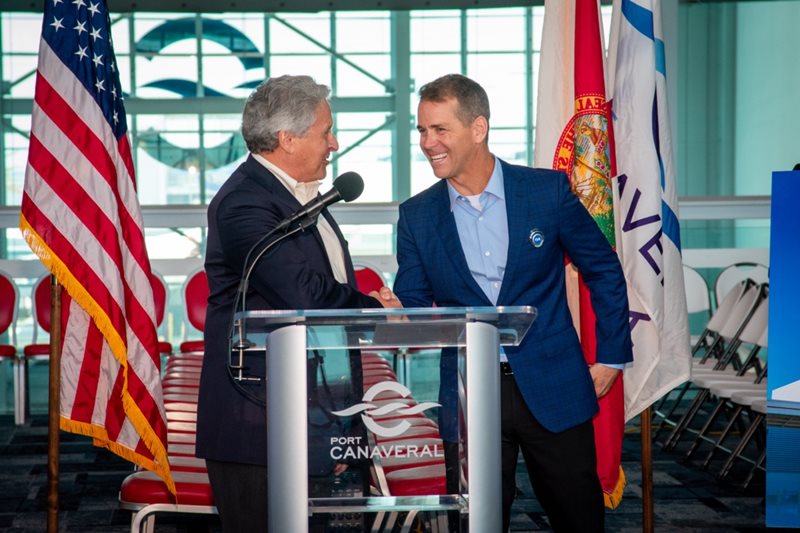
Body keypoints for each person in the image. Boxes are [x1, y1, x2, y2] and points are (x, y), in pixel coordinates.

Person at [392, 74, 633, 532]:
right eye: (422, 131)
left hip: (555, 384)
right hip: (468, 393)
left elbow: (603, 269)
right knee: (475, 524)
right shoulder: (416, 215)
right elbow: (416, 301)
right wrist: (398, 307)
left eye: (440, 129)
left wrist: (612, 357)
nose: (427, 142)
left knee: (579, 518)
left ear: (478, 128)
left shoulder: (547, 192)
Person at [196, 74, 400, 532]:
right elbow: (301, 292)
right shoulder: (244, 201)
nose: (335, 142)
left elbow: (322, 286)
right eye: (325, 131)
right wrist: (373, 310)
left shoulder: (303, 196)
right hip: (259, 421)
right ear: (287, 139)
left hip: (322, 415)